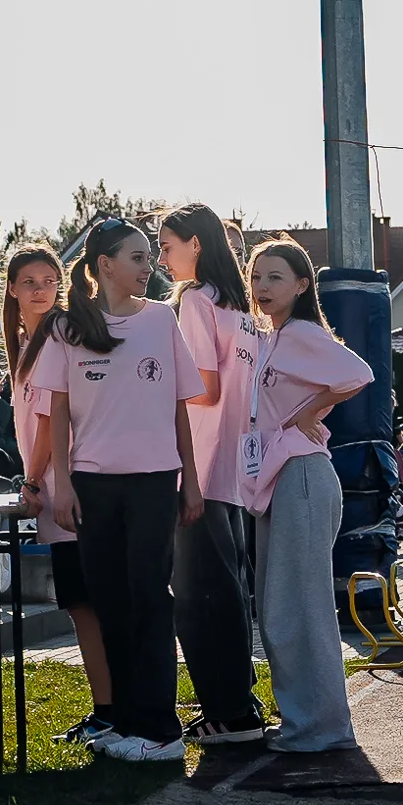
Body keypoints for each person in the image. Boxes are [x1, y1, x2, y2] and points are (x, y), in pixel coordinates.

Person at [33, 217, 210, 764]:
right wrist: (61, 486)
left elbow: (181, 406)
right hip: (91, 485)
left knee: (149, 600)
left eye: (148, 255)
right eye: (136, 257)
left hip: (154, 482)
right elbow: (57, 412)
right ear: (105, 264)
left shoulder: (161, 319)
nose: (149, 264)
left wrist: (191, 480)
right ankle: (127, 720)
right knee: (110, 603)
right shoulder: (66, 327)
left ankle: (160, 729)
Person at [243, 237, 371, 755]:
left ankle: (319, 727)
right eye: (256, 277)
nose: (262, 287)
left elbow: (359, 373)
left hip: (301, 476)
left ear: (301, 285)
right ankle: (308, 721)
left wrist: (308, 411)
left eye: (274, 277)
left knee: (298, 606)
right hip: (280, 477)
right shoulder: (270, 338)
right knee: (282, 606)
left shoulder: (298, 332)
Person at [160, 203, 267, 746]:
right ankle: (239, 703)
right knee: (228, 590)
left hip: (199, 466)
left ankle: (229, 713)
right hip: (233, 467)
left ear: (194, 245)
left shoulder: (196, 301)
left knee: (200, 597)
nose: (161, 256)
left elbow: (206, 387)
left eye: (167, 244)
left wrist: (149, 392)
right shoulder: (244, 310)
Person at [3, 242, 116, 746]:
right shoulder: (27, 341)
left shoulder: (60, 334)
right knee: (81, 601)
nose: (41, 289)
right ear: (11, 289)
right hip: (54, 488)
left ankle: (111, 708)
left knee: (87, 602)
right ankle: (109, 706)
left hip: (67, 485)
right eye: (29, 282)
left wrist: (32, 480)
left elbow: (52, 421)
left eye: (49, 279)